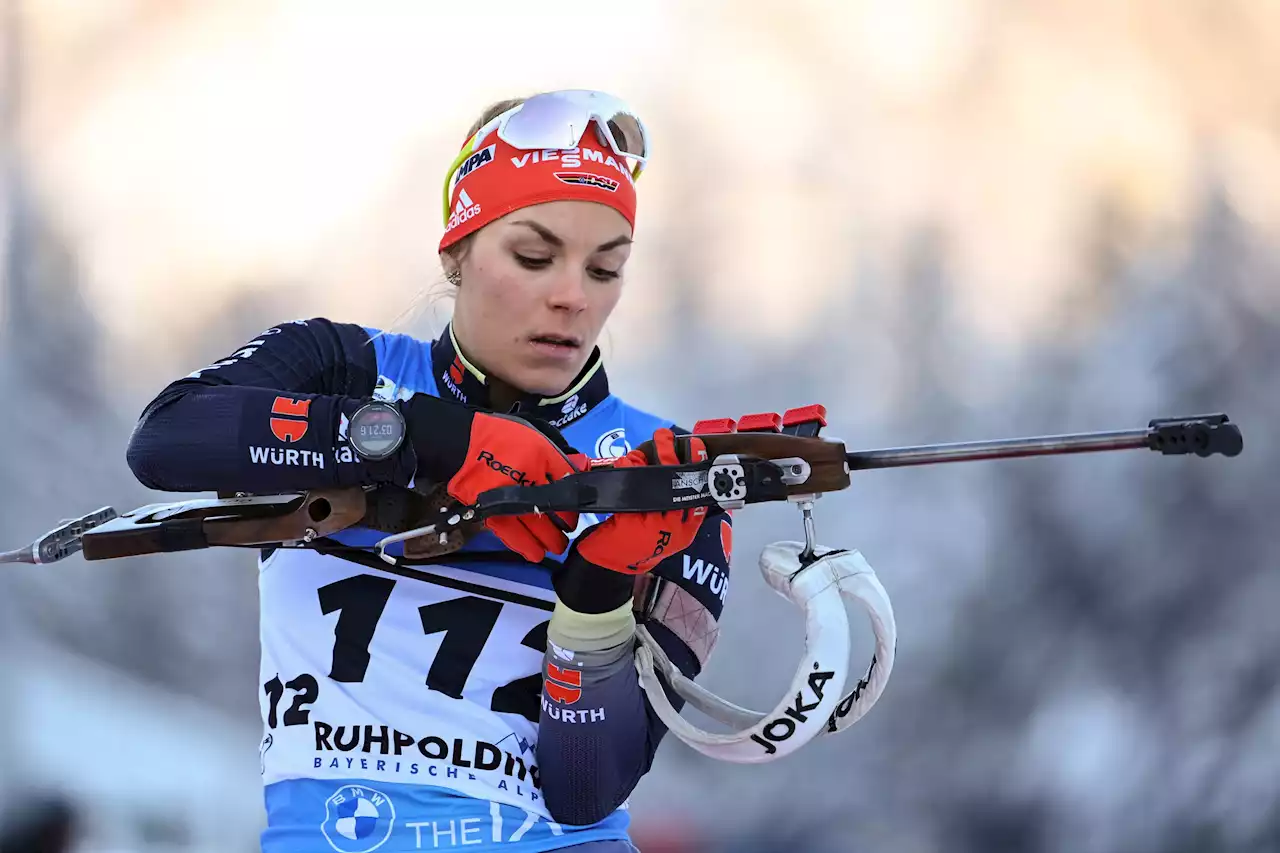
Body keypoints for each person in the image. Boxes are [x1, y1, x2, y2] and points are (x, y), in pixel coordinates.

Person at [125, 89, 732, 853]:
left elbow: (586, 790)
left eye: (605, 269)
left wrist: (598, 598)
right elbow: (168, 438)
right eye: (534, 256)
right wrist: (427, 436)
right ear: (457, 249)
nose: (573, 296)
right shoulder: (339, 366)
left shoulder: (664, 471)